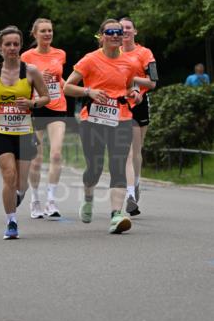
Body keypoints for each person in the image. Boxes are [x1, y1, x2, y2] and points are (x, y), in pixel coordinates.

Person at [64, 19, 144, 235]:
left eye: (119, 32)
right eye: (111, 32)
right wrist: (88, 92)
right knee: (95, 168)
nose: (116, 35)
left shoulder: (130, 62)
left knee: (118, 164)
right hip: (93, 120)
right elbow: (67, 87)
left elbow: (130, 86)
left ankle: (116, 215)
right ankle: (88, 198)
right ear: (101, 36)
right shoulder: (90, 60)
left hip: (122, 117)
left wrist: (134, 94)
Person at [0, 25, 49, 239]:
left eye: (16, 44)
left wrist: (31, 103)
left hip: (24, 131)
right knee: (9, 175)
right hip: (0, 129)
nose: (12, 48)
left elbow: (46, 98)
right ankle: (11, 222)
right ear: (0, 48)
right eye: (8, 44)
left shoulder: (31, 71)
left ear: (20, 46)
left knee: (21, 182)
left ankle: (19, 194)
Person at [21, 18, 68, 218]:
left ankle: (51, 201)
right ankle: (35, 200)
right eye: (43, 31)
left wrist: (70, 87)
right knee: (36, 159)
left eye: (50, 31)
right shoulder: (27, 56)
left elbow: (59, 79)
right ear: (35, 34)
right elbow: (23, 82)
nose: (48, 34)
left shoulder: (60, 54)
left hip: (57, 107)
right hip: (36, 109)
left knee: (56, 154)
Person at [120, 16, 158, 216]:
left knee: (136, 150)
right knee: (125, 151)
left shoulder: (145, 53)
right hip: (119, 104)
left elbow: (152, 83)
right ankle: (129, 195)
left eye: (128, 28)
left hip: (140, 104)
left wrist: (130, 78)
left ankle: (135, 183)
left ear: (135, 32)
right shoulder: (111, 53)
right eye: (121, 28)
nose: (124, 31)